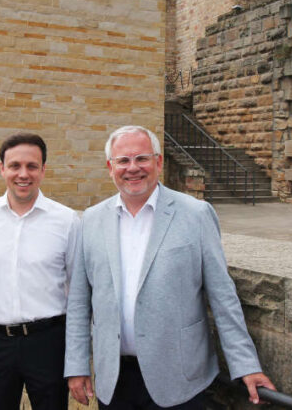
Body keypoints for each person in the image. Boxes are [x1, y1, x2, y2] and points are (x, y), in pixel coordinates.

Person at [64, 126, 276, 409]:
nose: (133, 168)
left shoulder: (196, 214)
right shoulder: (91, 220)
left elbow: (222, 296)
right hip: (113, 379)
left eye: (142, 158)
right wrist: (77, 365)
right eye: (123, 161)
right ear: (109, 167)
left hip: (180, 378)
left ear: (159, 162)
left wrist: (246, 365)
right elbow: (79, 301)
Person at [0, 133, 80, 410]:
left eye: (32, 166)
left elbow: (77, 288)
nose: (23, 174)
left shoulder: (67, 220)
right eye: (15, 165)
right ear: (1, 169)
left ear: (43, 170)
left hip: (49, 344)